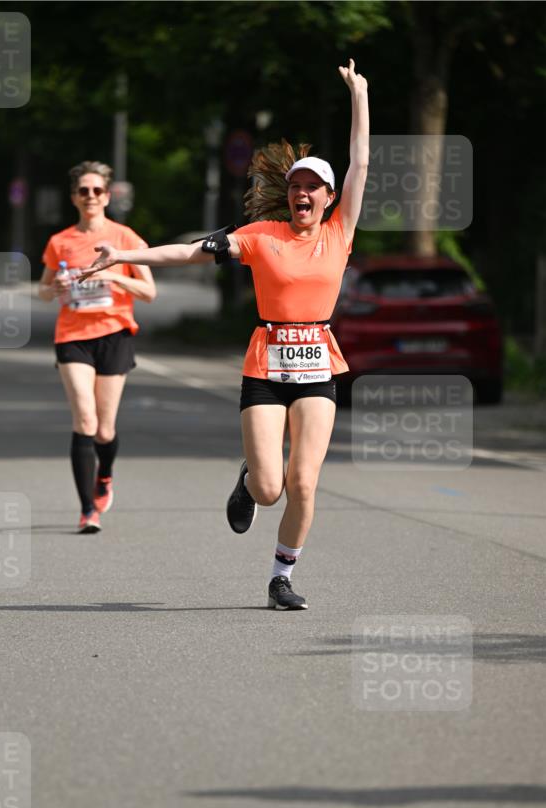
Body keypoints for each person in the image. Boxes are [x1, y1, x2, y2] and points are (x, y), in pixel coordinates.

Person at [80, 60, 368, 606]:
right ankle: (249, 479)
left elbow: (362, 161)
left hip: (317, 367)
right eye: (296, 186)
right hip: (266, 367)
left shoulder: (340, 233)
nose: (304, 194)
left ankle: (281, 578)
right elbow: (189, 253)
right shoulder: (261, 235)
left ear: (330, 197)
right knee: (270, 487)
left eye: (314, 187)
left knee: (304, 483)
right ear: (288, 194)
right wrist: (122, 256)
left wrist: (360, 95)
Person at [39, 160, 156, 533]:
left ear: (107, 196)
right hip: (72, 336)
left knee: (104, 430)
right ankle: (87, 510)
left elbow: (149, 291)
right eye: (83, 191)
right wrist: (55, 287)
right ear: (74, 197)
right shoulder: (60, 241)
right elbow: (43, 291)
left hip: (114, 334)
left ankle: (104, 474)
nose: (90, 196)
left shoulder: (125, 238)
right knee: (84, 421)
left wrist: (114, 277)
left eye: (97, 190)